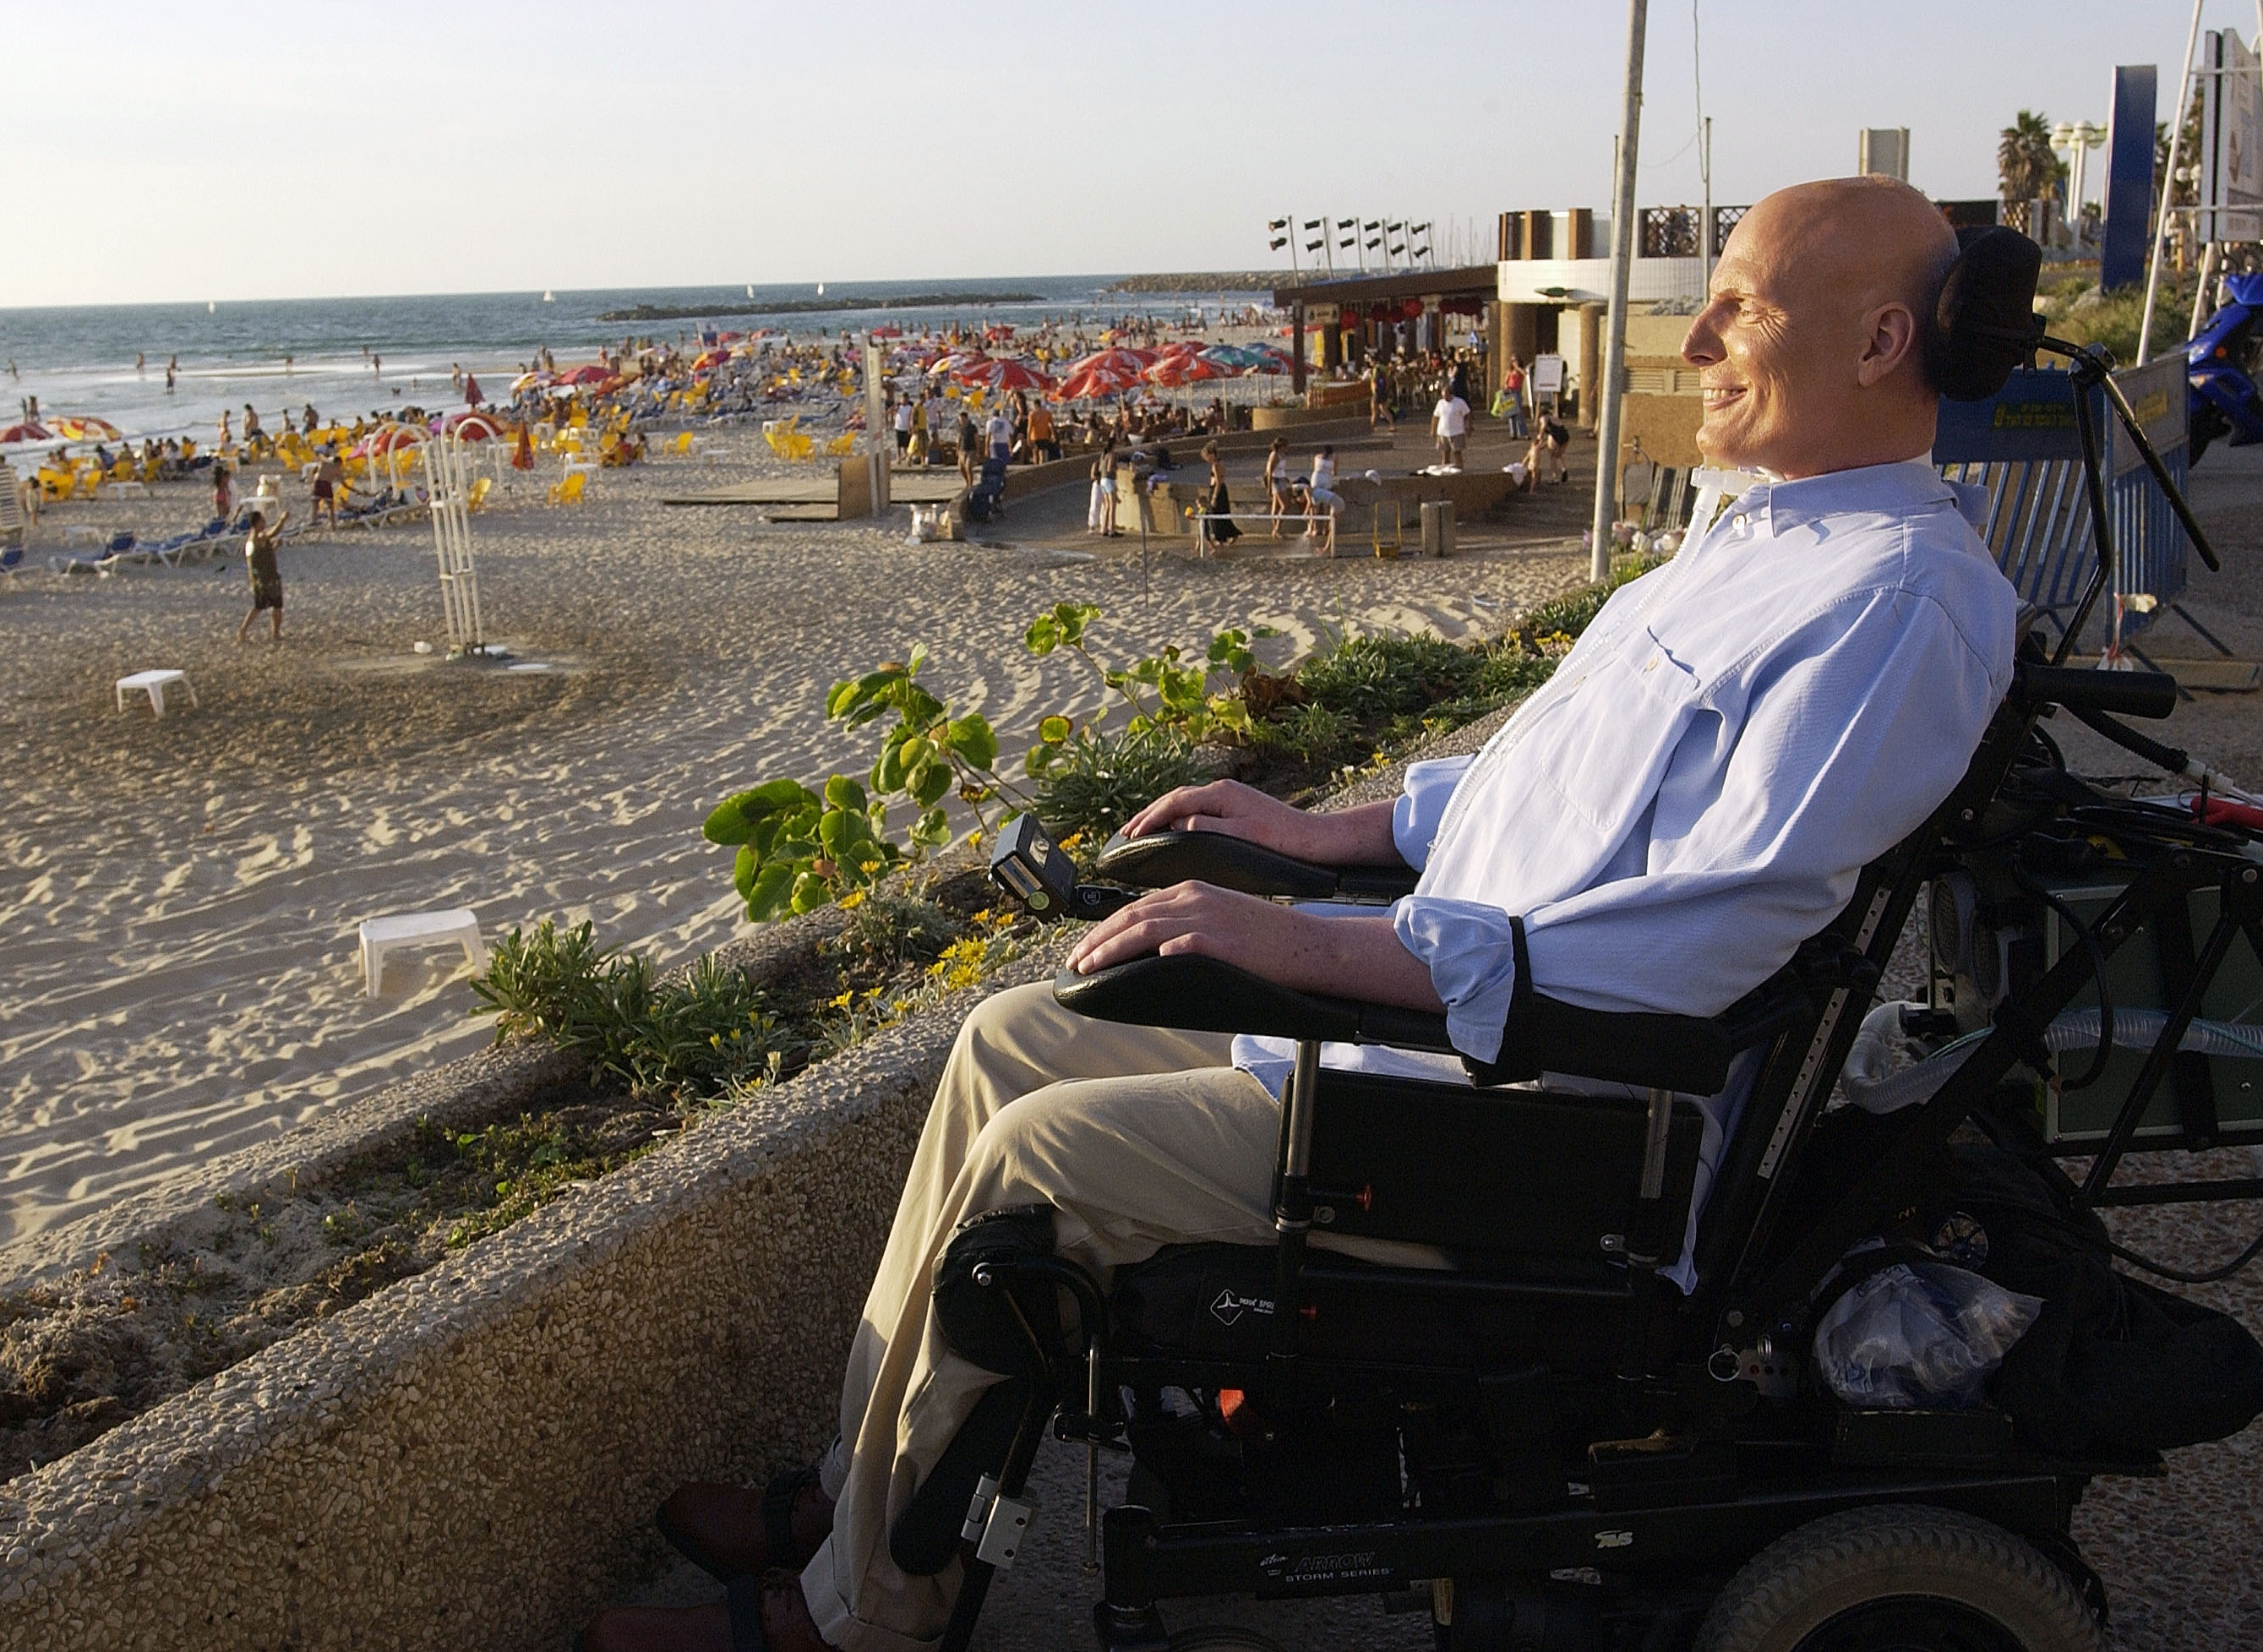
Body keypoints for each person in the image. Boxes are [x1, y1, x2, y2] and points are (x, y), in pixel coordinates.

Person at [597, 178, 2020, 1652]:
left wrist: (1320, 940)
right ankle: (856, 1499)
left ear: (1878, 344)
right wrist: (1327, 834)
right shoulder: (1765, 538)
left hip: (1553, 1135)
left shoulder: (1897, 600)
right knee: (1011, 1044)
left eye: (1746, 305)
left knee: (1046, 1162)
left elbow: (1698, 940)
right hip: (1451, 1056)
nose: (1698, 329)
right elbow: (1550, 779)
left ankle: (861, 1622)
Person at [237, 506, 291, 643]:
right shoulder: (257, 536)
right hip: (267, 580)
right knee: (275, 606)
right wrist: (282, 520)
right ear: (256, 523)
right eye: (262, 520)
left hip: (261, 579)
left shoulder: (252, 539)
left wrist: (275, 546)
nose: (264, 522)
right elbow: (272, 533)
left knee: (260, 607)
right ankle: (275, 633)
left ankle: (244, 630)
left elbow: (262, 554)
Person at [1199, 440, 1241, 547]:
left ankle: (1221, 538)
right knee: (1222, 513)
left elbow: (1218, 482)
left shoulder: (1216, 465)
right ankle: (1228, 535)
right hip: (1221, 490)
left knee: (1216, 515)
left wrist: (1214, 497)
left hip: (1217, 490)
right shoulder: (1220, 463)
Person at [1261, 436, 1295, 538]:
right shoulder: (1274, 455)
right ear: (1282, 446)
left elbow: (1280, 469)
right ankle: (1277, 529)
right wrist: (1269, 488)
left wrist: (1285, 478)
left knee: (1276, 507)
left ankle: (1275, 530)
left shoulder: (1281, 455)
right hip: (1276, 481)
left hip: (1281, 479)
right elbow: (1270, 471)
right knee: (1286, 505)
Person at [1431, 382, 1470, 469]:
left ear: (1450, 394)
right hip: (1443, 433)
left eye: (1446, 396)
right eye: (1443, 396)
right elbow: (1435, 417)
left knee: (1457, 453)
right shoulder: (1440, 403)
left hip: (1456, 432)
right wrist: (1433, 430)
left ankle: (1460, 469)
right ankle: (1445, 469)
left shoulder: (1459, 402)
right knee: (1445, 453)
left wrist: (1468, 427)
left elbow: (1468, 414)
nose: (1444, 398)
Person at [311, 446, 345, 527]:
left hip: (317, 484)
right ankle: (332, 525)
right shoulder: (337, 469)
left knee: (315, 506)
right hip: (326, 485)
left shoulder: (323, 463)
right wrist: (356, 491)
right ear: (338, 463)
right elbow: (344, 483)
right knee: (330, 507)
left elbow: (314, 470)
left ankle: (313, 522)